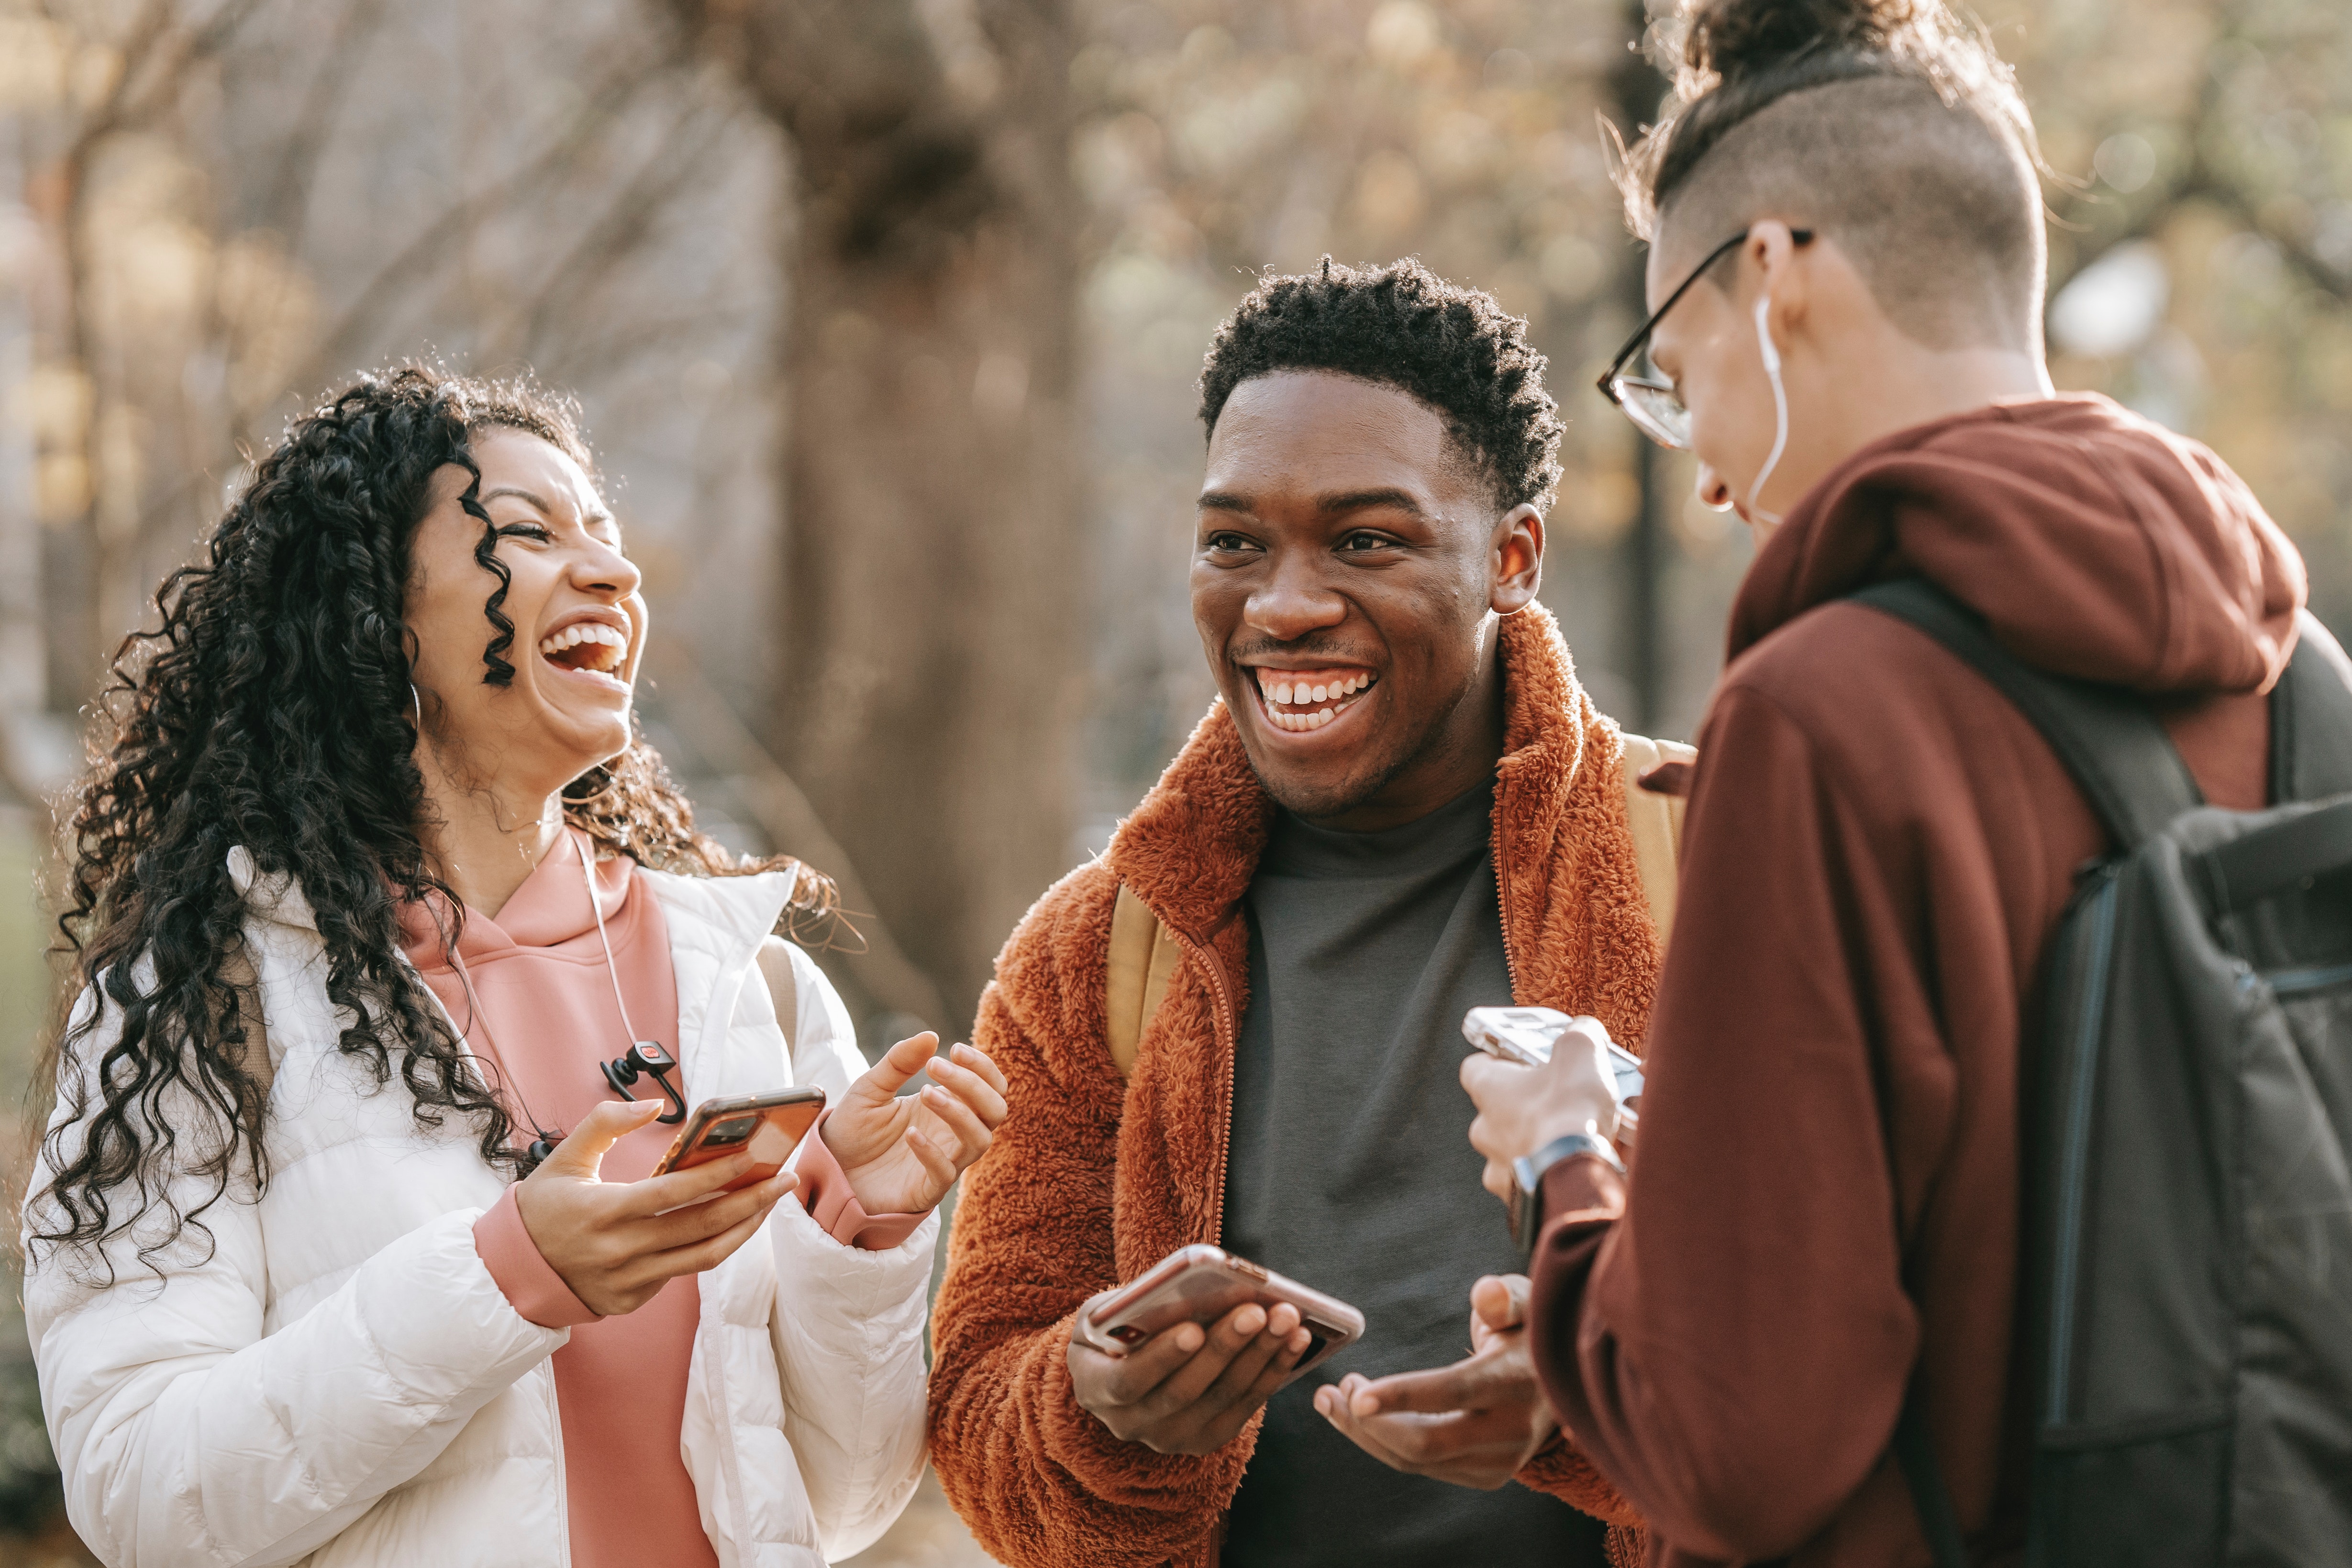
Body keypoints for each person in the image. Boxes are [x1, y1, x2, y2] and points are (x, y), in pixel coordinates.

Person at [1419, 0, 2347, 1564]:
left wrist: (1565, 1164)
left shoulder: (1819, 713)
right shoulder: (2304, 680)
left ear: (1774, 274)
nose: (1700, 468)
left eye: (1671, 365)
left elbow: (1740, 1441)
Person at [22, 367, 1009, 1568]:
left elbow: (839, 1504)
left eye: (605, 533)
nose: (614, 572)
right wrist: (508, 1276)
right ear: (372, 618)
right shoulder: (199, 1008)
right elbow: (143, 1501)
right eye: (531, 535)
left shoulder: (752, 985)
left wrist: (856, 1233)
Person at [927, 259, 1674, 1567]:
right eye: (1234, 541)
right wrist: (1100, 1405)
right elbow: (982, 1422)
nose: (1282, 604)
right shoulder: (1092, 953)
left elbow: (1868, 1350)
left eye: (1365, 540)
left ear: (1511, 557)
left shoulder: (1713, 857)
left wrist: (1586, 1393)